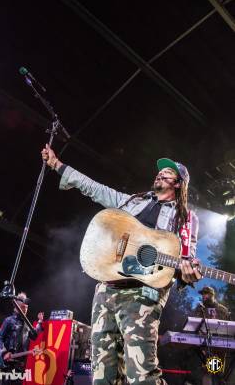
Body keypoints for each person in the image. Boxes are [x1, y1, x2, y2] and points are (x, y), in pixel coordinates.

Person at [41, 144, 201, 385]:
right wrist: (57, 165)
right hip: (108, 288)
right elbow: (94, 188)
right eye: (159, 171)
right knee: (102, 375)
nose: (160, 173)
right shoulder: (131, 202)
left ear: (178, 184)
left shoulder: (185, 218)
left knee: (142, 375)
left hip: (143, 295)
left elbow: (187, 261)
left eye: (167, 173)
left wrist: (188, 274)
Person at [0, 292, 44, 384]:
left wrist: (40, 322)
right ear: (17, 307)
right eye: (23, 307)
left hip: (20, 364)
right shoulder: (9, 320)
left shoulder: (26, 323)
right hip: (8, 363)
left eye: (26, 308)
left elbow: (34, 336)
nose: (25, 310)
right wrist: (4, 352)